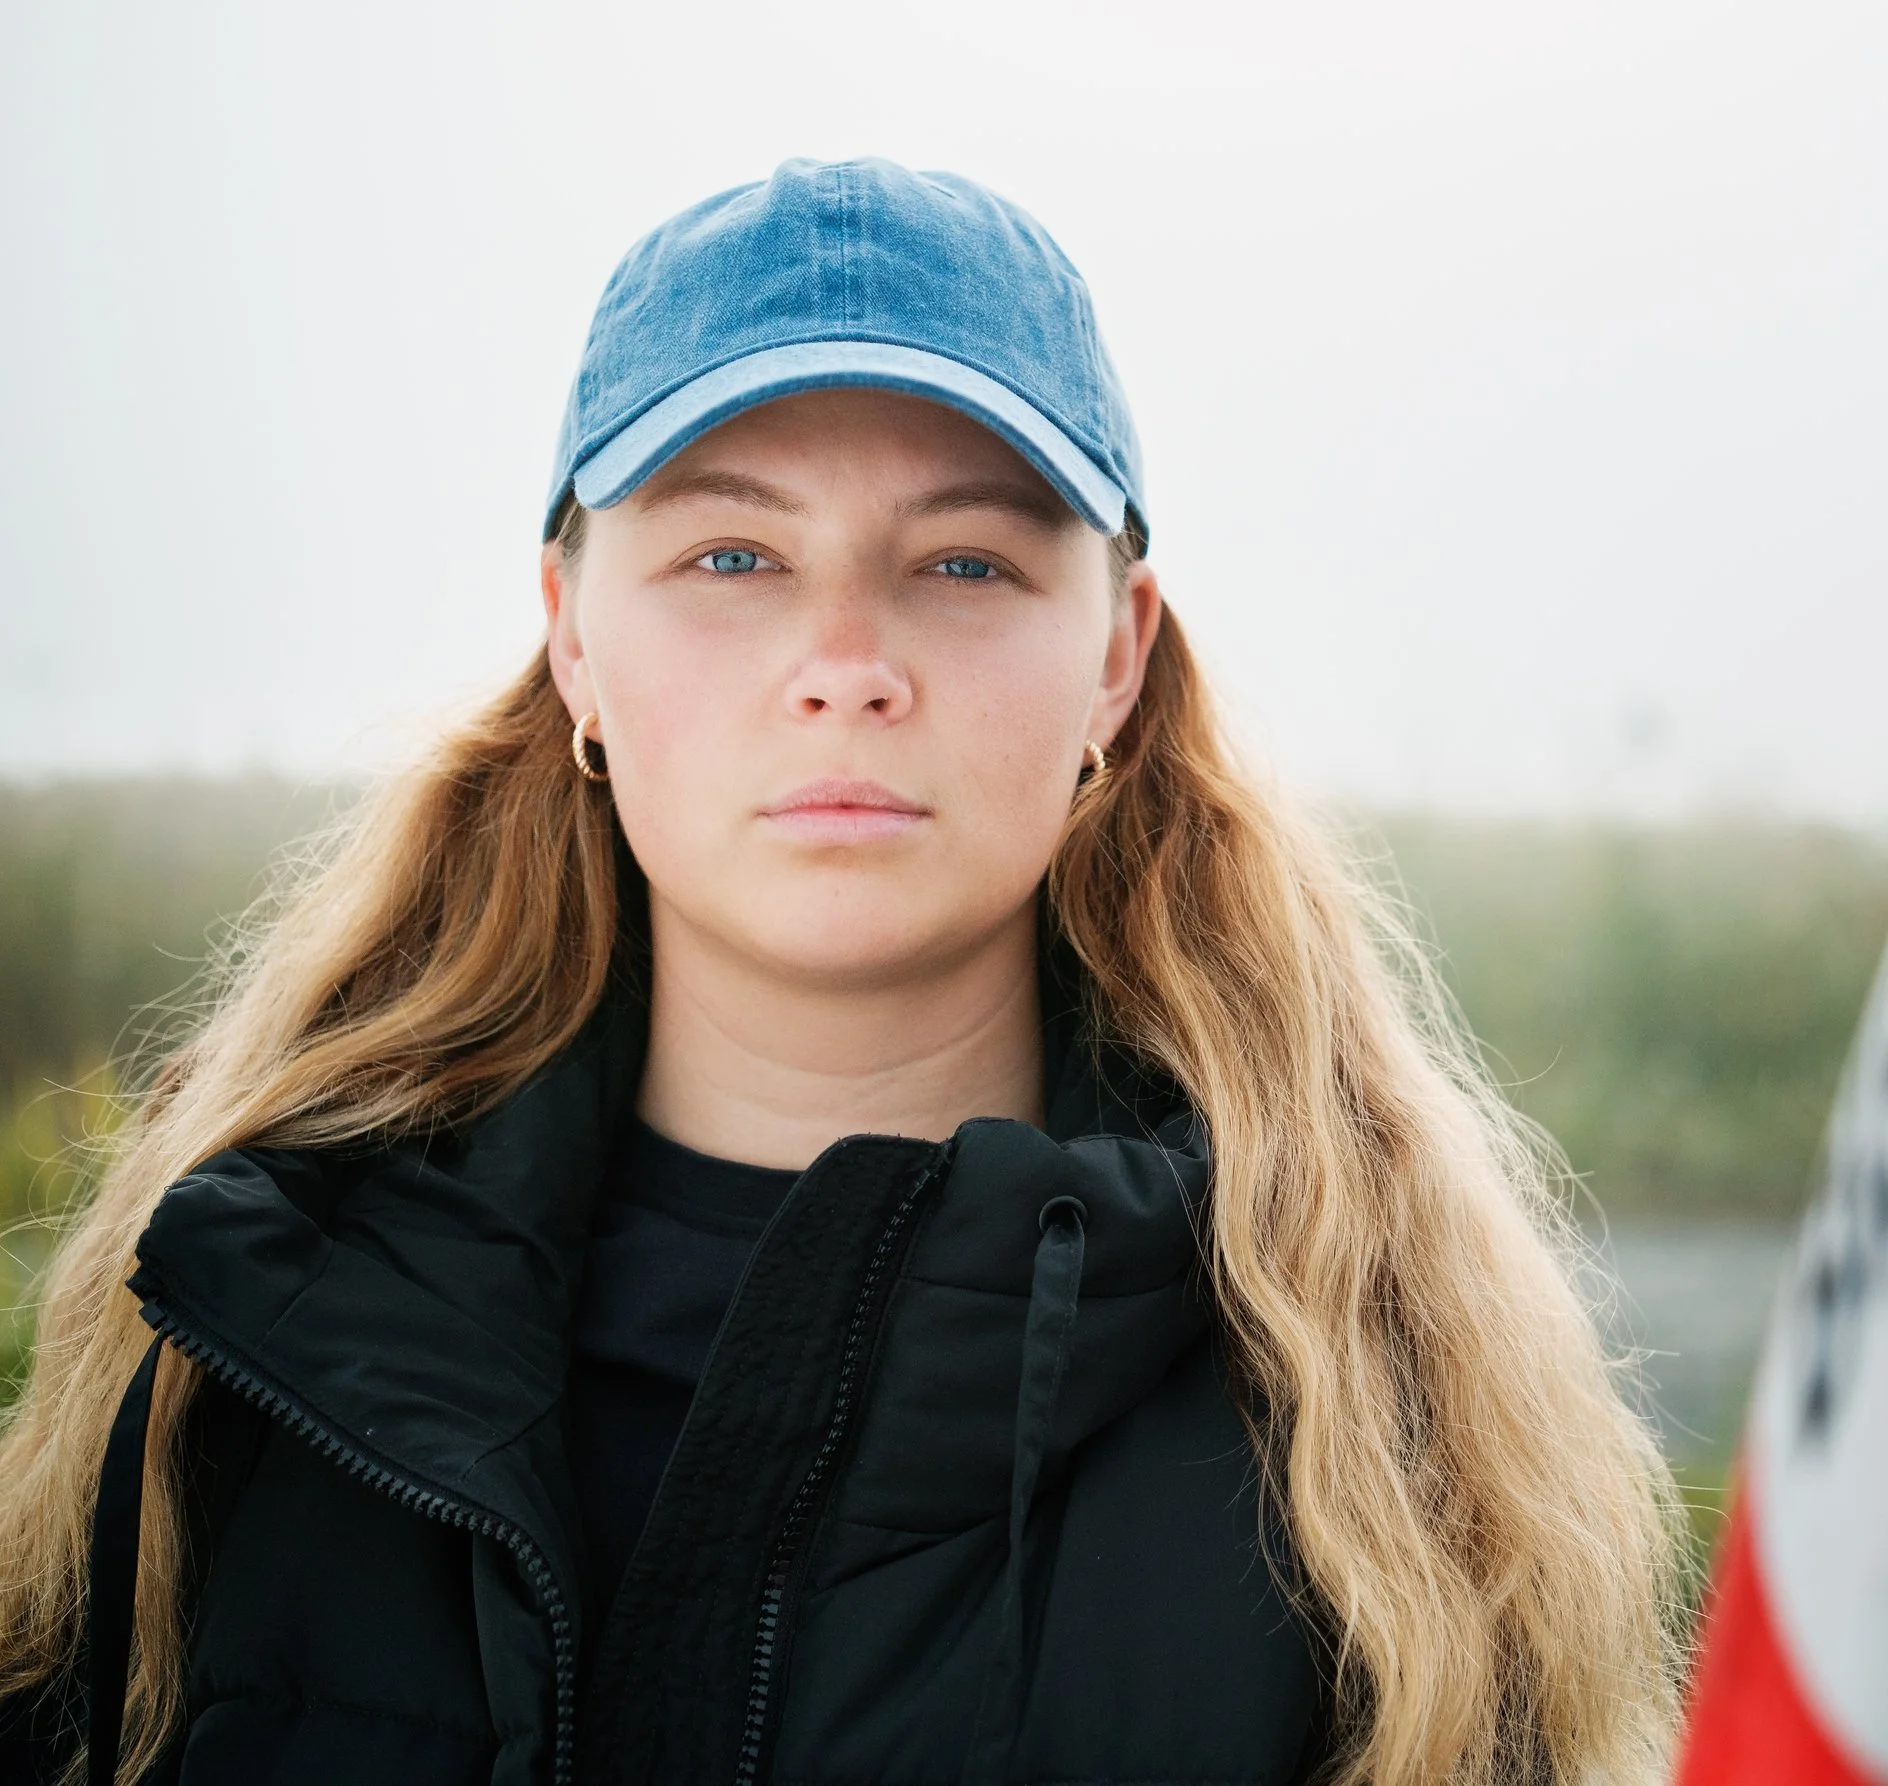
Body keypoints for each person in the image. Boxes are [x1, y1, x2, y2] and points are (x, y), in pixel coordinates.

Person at [0, 160, 1682, 1786]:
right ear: (574, 633)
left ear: (1115, 654)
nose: (848, 666)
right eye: (734, 557)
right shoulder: (231, 1331)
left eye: (965, 562)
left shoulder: (1361, 1429)